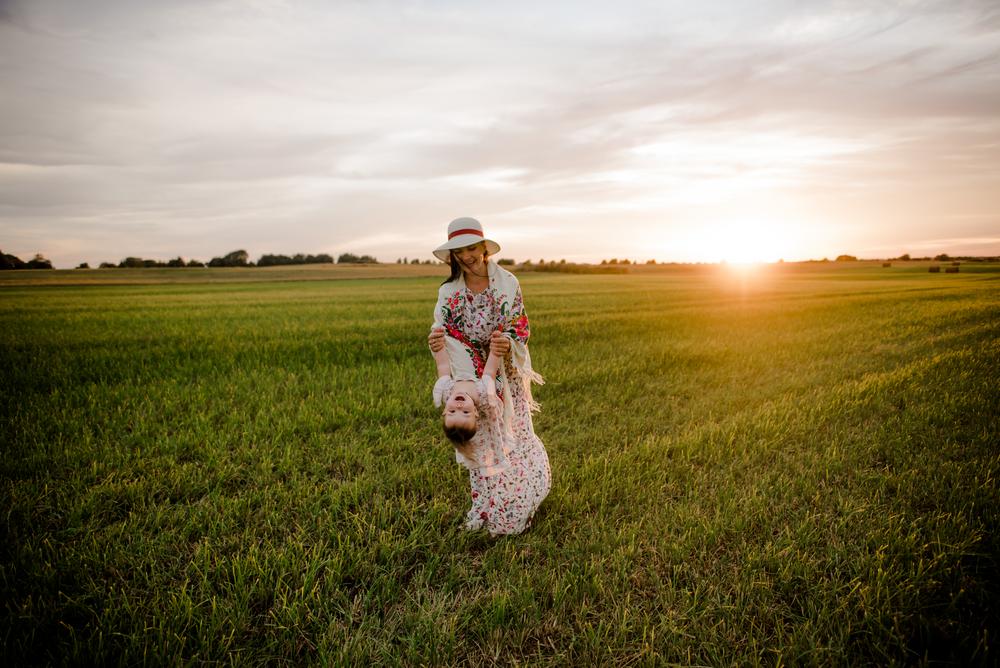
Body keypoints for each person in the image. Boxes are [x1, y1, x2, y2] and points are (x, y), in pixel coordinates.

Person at [428, 216, 550, 534]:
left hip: (504, 374)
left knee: (515, 435)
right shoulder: (448, 291)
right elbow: (441, 329)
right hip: (470, 378)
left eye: (471, 248)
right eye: (459, 251)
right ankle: (489, 506)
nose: (467, 256)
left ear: (483, 247)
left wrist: (505, 341)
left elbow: (520, 325)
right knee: (484, 443)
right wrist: (437, 340)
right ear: (452, 257)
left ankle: (522, 501)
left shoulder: (507, 282)